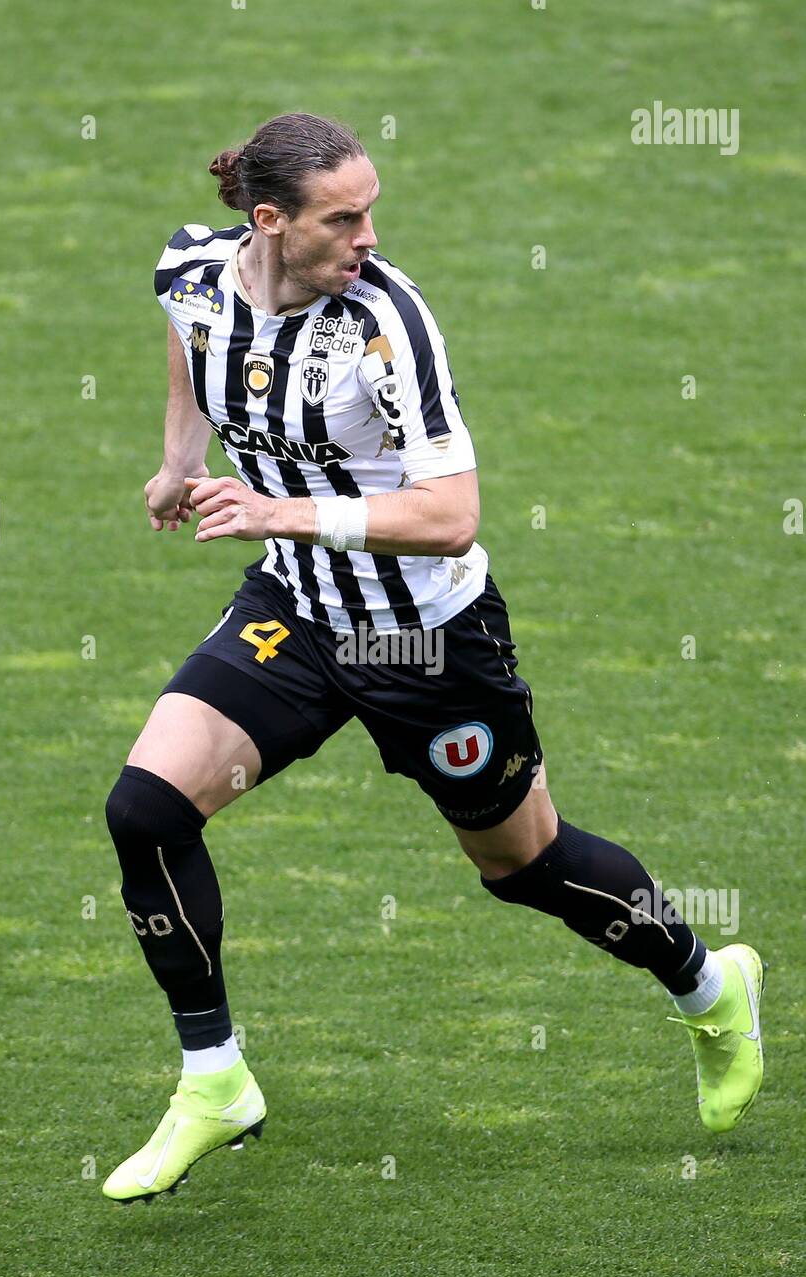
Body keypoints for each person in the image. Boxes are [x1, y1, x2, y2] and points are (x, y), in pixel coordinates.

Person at [102, 112, 764, 1203]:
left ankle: (709, 988)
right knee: (146, 811)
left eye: (372, 210)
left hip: (428, 639)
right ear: (269, 220)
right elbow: (187, 338)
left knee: (525, 868)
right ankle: (214, 1079)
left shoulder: (387, 323)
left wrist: (280, 506)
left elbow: (451, 515)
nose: (368, 233)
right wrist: (179, 460)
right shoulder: (191, 266)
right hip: (298, 616)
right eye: (344, 216)